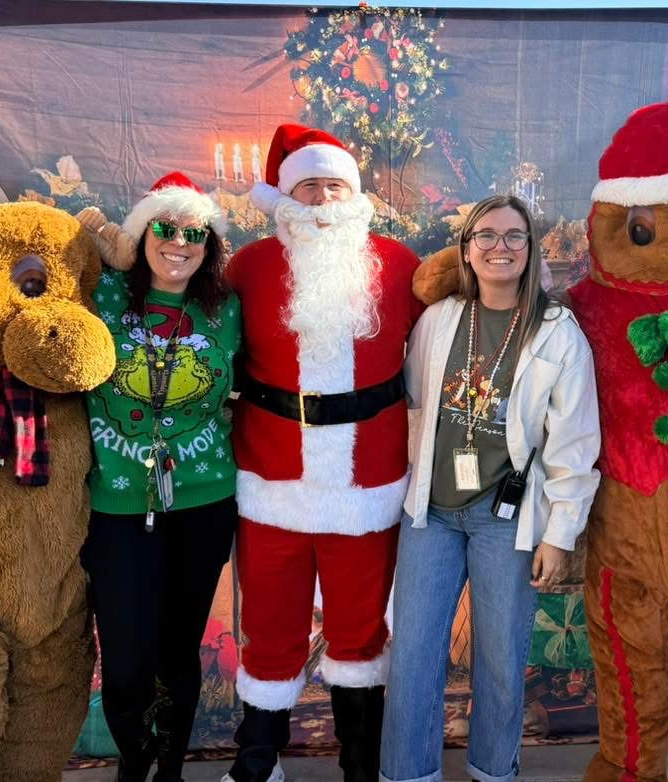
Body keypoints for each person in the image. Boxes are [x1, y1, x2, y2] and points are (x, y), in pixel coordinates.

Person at [222, 124, 424, 782]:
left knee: (360, 629)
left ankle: (361, 762)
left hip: (368, 484)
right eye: (308, 185)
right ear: (286, 196)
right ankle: (258, 761)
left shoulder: (399, 264)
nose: (323, 197)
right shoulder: (248, 267)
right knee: (270, 624)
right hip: (272, 477)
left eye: (335, 185)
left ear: (356, 194)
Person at [380, 195, 601, 782]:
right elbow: (415, 402)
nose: (499, 247)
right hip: (430, 513)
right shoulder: (439, 320)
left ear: (530, 250)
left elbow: (574, 442)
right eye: (486, 235)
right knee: (413, 657)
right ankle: (408, 774)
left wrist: (559, 534)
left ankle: (493, 772)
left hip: (506, 518)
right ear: (467, 248)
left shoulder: (557, 334)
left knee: (501, 660)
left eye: (513, 236)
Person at [77, 172, 241, 782]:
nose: (178, 243)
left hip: (204, 504)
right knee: (125, 663)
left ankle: (168, 769)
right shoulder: (102, 295)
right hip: (118, 507)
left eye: (194, 233)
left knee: (178, 654)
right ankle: (134, 759)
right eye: (165, 230)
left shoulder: (225, 308)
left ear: (209, 244)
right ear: (142, 235)